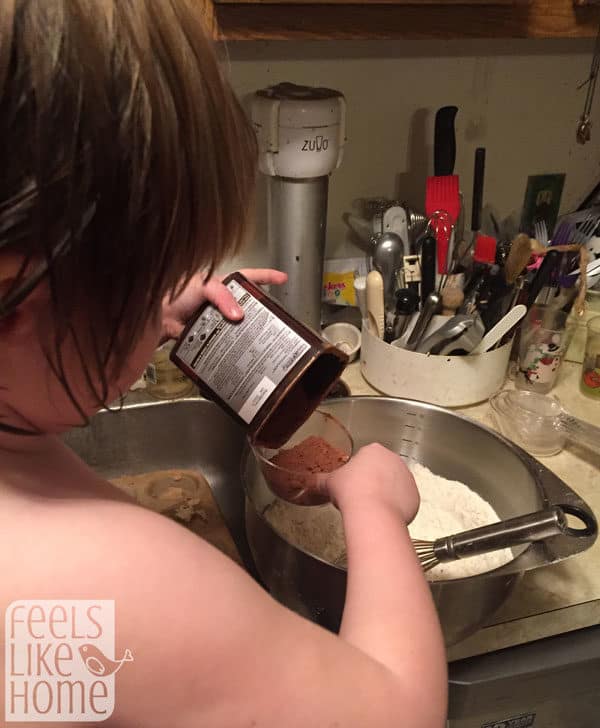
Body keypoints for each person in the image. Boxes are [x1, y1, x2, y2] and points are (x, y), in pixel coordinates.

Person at [0, 2, 447, 726]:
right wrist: (375, 508)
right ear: (19, 291)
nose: (160, 306)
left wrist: (129, 310)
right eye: (146, 278)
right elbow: (397, 711)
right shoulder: (102, 587)